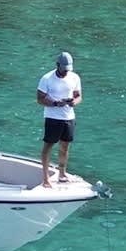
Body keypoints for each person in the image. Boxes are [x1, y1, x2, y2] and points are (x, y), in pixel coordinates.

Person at [36, 49, 82, 185]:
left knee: (65, 146)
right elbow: (40, 99)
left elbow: (78, 96)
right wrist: (55, 103)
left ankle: (62, 173)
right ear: (57, 65)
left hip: (69, 117)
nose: (66, 72)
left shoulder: (74, 77)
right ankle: (45, 178)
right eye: (63, 69)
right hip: (53, 117)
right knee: (48, 146)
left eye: (67, 69)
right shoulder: (47, 79)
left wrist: (74, 102)